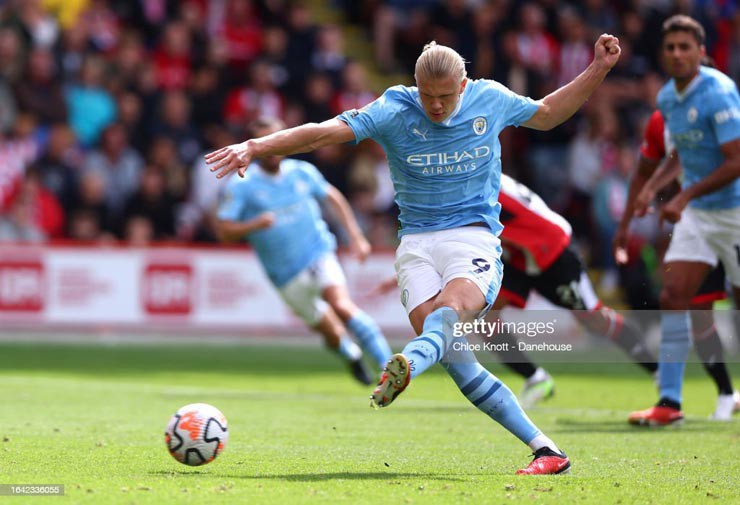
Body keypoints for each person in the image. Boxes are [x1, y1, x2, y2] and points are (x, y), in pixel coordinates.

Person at [207, 35, 622, 474]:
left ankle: (407, 363)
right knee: (457, 359)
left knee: (448, 311)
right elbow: (323, 134)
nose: (436, 107)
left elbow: (549, 113)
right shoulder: (395, 108)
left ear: (464, 86)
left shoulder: (490, 98)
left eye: (445, 97)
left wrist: (598, 68)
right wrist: (255, 146)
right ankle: (547, 451)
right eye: (428, 96)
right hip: (417, 246)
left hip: (472, 238)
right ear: (416, 86)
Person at [611, 15, 740, 426]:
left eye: (686, 47)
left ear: (702, 52)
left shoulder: (719, 92)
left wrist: (682, 194)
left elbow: (736, 160)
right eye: (670, 47)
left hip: (734, 210)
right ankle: (669, 402)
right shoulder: (668, 98)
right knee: (673, 296)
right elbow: (684, 152)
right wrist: (655, 188)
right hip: (700, 214)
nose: (677, 54)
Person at [216, 118, 393, 386]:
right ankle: (351, 354)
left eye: (275, 140)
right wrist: (254, 224)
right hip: (285, 275)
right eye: (265, 143)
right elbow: (224, 232)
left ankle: (388, 366)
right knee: (330, 332)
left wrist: (356, 236)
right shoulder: (242, 185)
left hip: (317, 253)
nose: (272, 149)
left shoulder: (302, 172)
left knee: (342, 305)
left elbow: (333, 197)